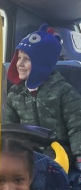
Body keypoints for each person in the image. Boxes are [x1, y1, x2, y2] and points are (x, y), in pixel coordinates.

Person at [5, 23, 81, 170]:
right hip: (26, 148)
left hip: (57, 149)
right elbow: (9, 126)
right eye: (19, 58)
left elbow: (77, 125)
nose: (19, 64)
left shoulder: (63, 91)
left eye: (26, 59)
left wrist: (79, 155)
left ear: (42, 63)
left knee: (42, 167)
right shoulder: (14, 93)